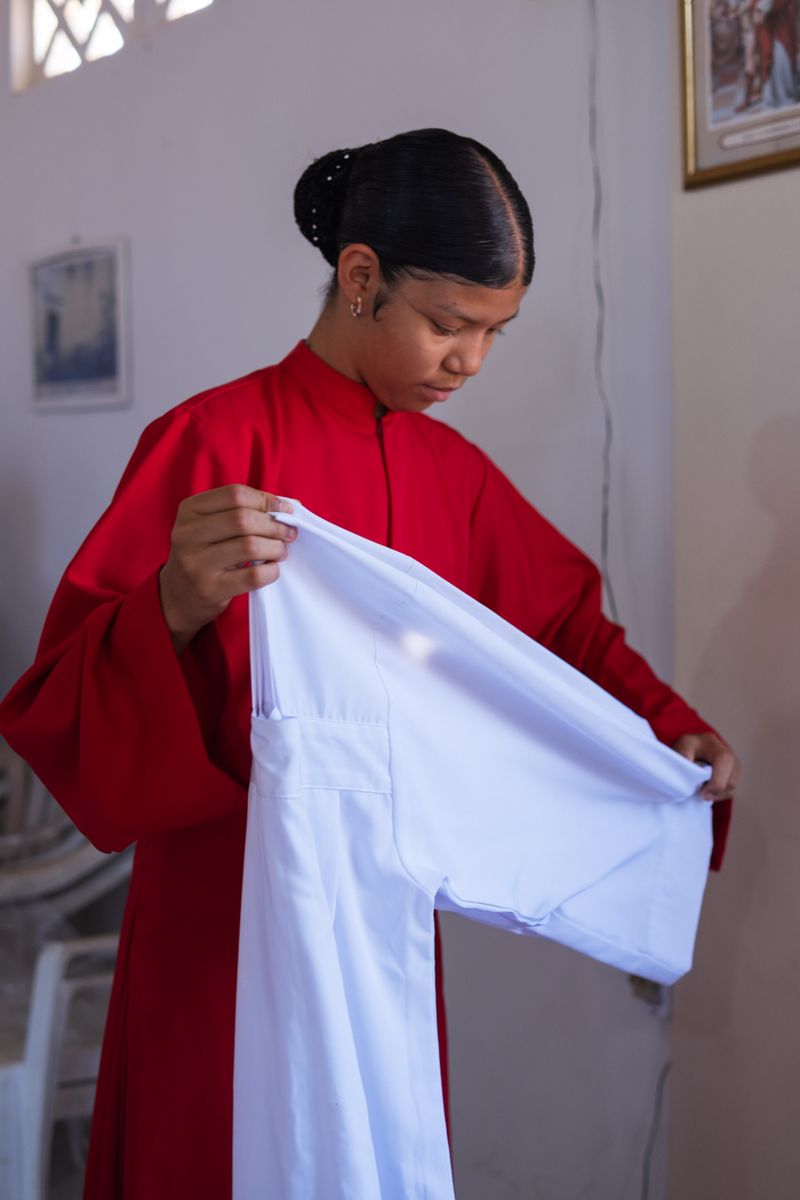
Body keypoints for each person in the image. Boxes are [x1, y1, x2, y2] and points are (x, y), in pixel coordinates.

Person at [0, 128, 739, 1200]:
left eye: (494, 333)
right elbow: (56, 703)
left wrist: (665, 728)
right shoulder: (210, 444)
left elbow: (566, 633)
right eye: (447, 324)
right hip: (221, 921)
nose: (469, 361)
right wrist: (172, 599)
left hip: (379, 920)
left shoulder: (457, 478)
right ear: (359, 279)